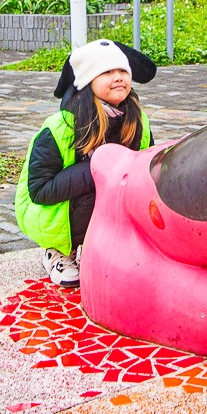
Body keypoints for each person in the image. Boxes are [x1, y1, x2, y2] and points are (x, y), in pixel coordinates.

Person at [15, 39, 157, 287]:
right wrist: (99, 168)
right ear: (87, 81)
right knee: (97, 192)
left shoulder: (137, 120)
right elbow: (38, 190)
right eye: (106, 72)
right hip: (51, 208)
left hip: (97, 195)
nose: (118, 78)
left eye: (122, 71)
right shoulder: (61, 127)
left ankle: (112, 249)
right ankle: (59, 251)